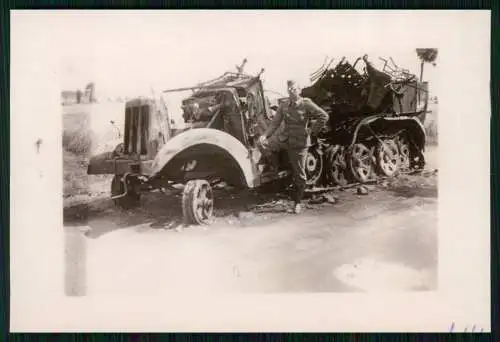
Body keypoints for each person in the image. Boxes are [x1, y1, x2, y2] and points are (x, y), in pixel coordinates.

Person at [258, 80, 329, 214]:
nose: (291, 91)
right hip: (285, 139)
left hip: (299, 143)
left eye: (293, 89)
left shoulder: (306, 103)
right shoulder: (284, 105)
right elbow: (274, 123)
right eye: (289, 89)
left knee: (300, 175)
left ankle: (297, 203)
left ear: (299, 90)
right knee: (262, 144)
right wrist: (265, 136)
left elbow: (323, 116)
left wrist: (311, 131)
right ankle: (275, 170)